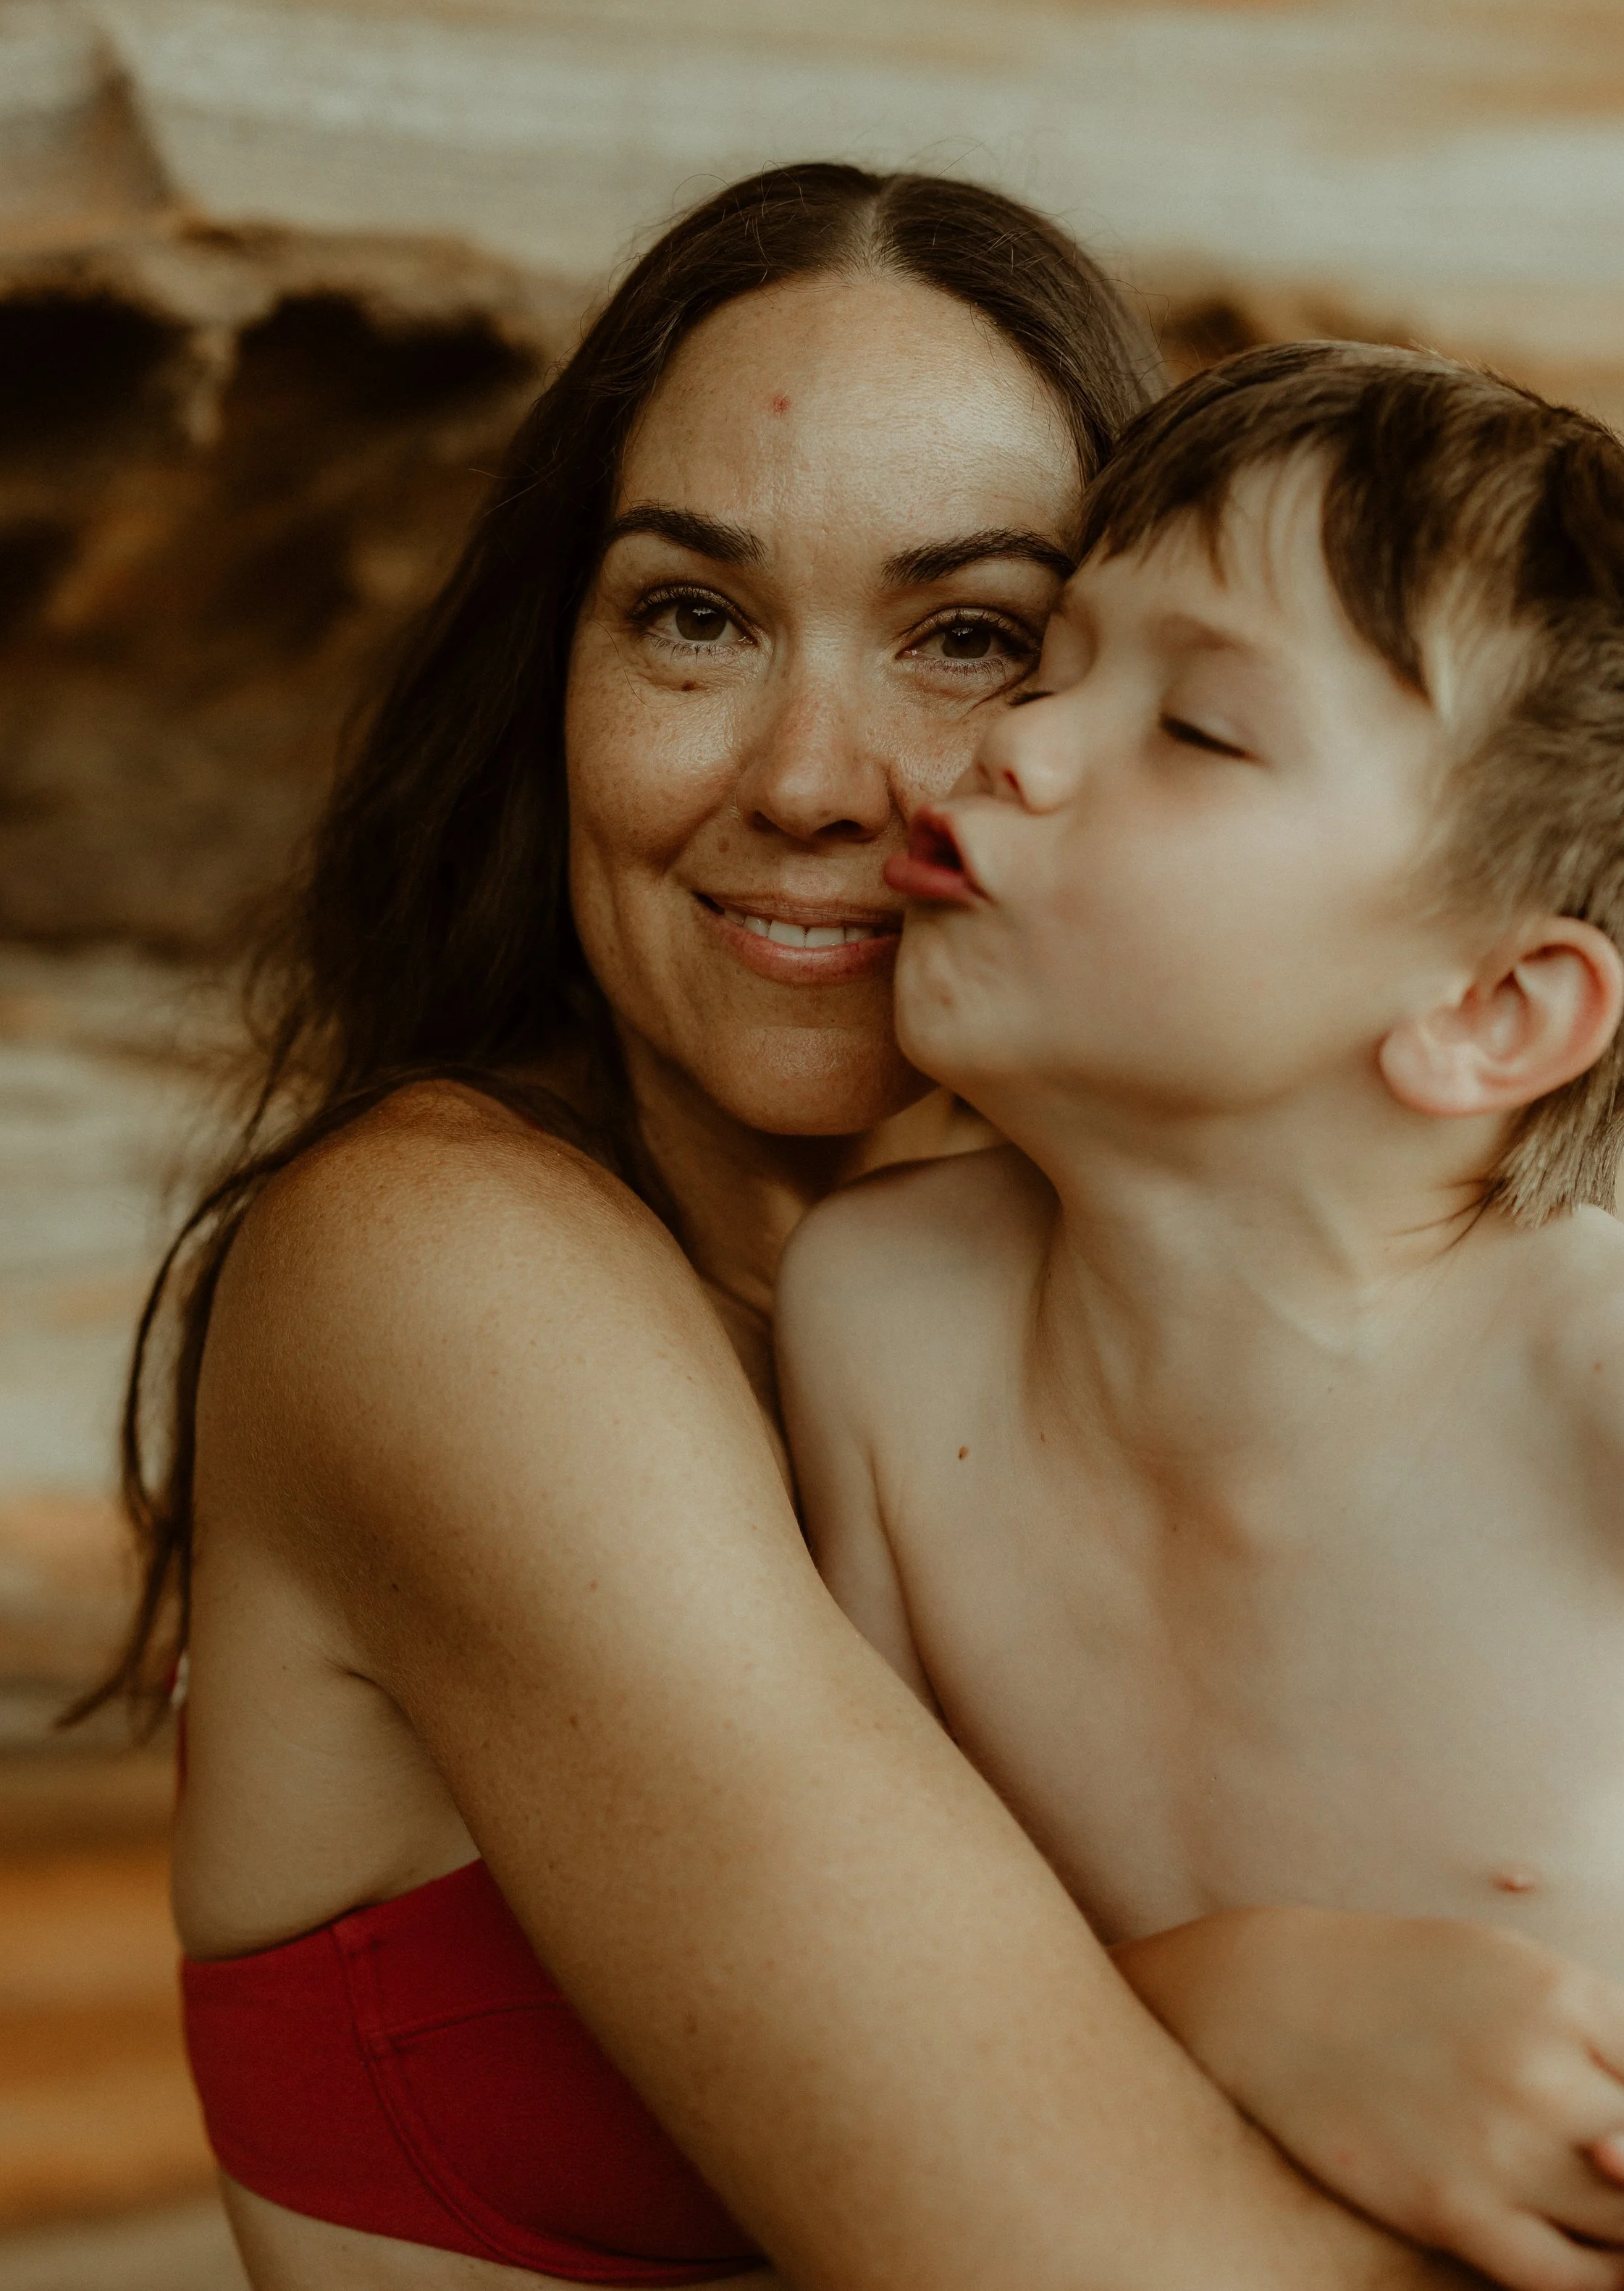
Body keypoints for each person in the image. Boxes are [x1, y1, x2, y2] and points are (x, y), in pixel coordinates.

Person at [93, 169, 1471, 2291]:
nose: (815, 777)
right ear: (552, 676)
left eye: (968, 636)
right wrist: (1235, 2004)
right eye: (695, 616)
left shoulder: (1131, 1316)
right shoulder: (440, 1279)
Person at [780, 342, 1624, 2291]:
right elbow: (843, 1984)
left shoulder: (1618, 1407)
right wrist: (1234, 1993)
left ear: (1486, 1011)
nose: (1004, 747)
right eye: (1041, 658)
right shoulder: (878, 1316)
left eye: (1195, 727)